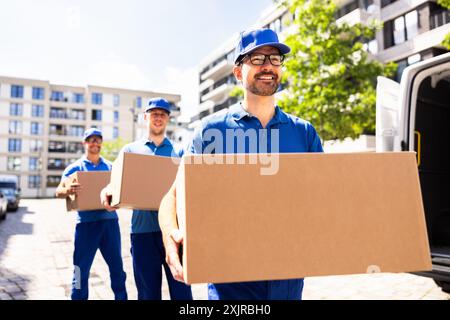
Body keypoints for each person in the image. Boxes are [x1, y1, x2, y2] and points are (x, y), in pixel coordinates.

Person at [159, 28, 324, 300]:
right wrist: (169, 235)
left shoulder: (304, 133)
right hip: (231, 284)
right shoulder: (212, 131)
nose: (268, 66)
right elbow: (174, 195)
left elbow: (324, 197)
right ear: (238, 72)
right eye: (257, 59)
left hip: (289, 279)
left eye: (274, 59)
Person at [101, 98, 193, 300]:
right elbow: (113, 183)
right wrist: (107, 194)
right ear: (145, 118)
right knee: (147, 294)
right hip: (142, 233)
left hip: (174, 233)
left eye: (162, 114)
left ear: (168, 119)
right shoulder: (130, 151)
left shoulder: (179, 152)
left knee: (182, 293)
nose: (158, 118)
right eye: (154, 114)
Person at [55, 128, 127, 300]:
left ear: (101, 143)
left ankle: (121, 297)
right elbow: (59, 191)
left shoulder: (111, 167)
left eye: (98, 139)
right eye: (91, 139)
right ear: (84, 143)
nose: (95, 142)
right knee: (80, 269)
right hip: (86, 225)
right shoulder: (75, 168)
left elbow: (121, 190)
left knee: (117, 268)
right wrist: (67, 189)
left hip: (110, 224)